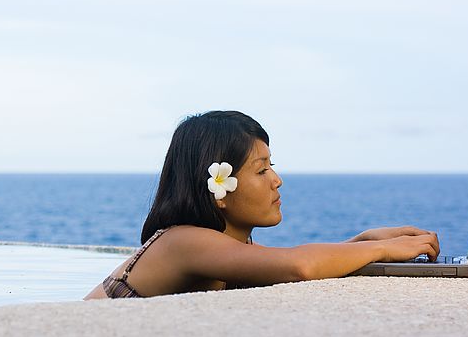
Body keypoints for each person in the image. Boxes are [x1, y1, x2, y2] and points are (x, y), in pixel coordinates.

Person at [83, 110, 440, 300]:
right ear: (219, 189)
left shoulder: (229, 246)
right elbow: (298, 266)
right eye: (261, 169)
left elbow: (278, 266)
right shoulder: (183, 242)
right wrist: (381, 250)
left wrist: (362, 242)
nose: (276, 179)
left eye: (272, 165)